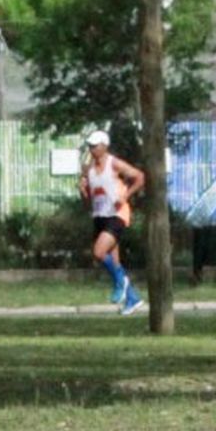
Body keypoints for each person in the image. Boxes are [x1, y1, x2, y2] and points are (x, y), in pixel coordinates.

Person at [79, 129, 145, 316]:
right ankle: (133, 299)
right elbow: (88, 200)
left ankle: (121, 283)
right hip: (100, 216)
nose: (91, 149)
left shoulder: (114, 163)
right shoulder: (89, 169)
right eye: (89, 146)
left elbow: (140, 177)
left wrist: (126, 195)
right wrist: (83, 191)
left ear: (104, 146)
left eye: (95, 145)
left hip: (117, 215)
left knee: (98, 253)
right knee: (114, 262)